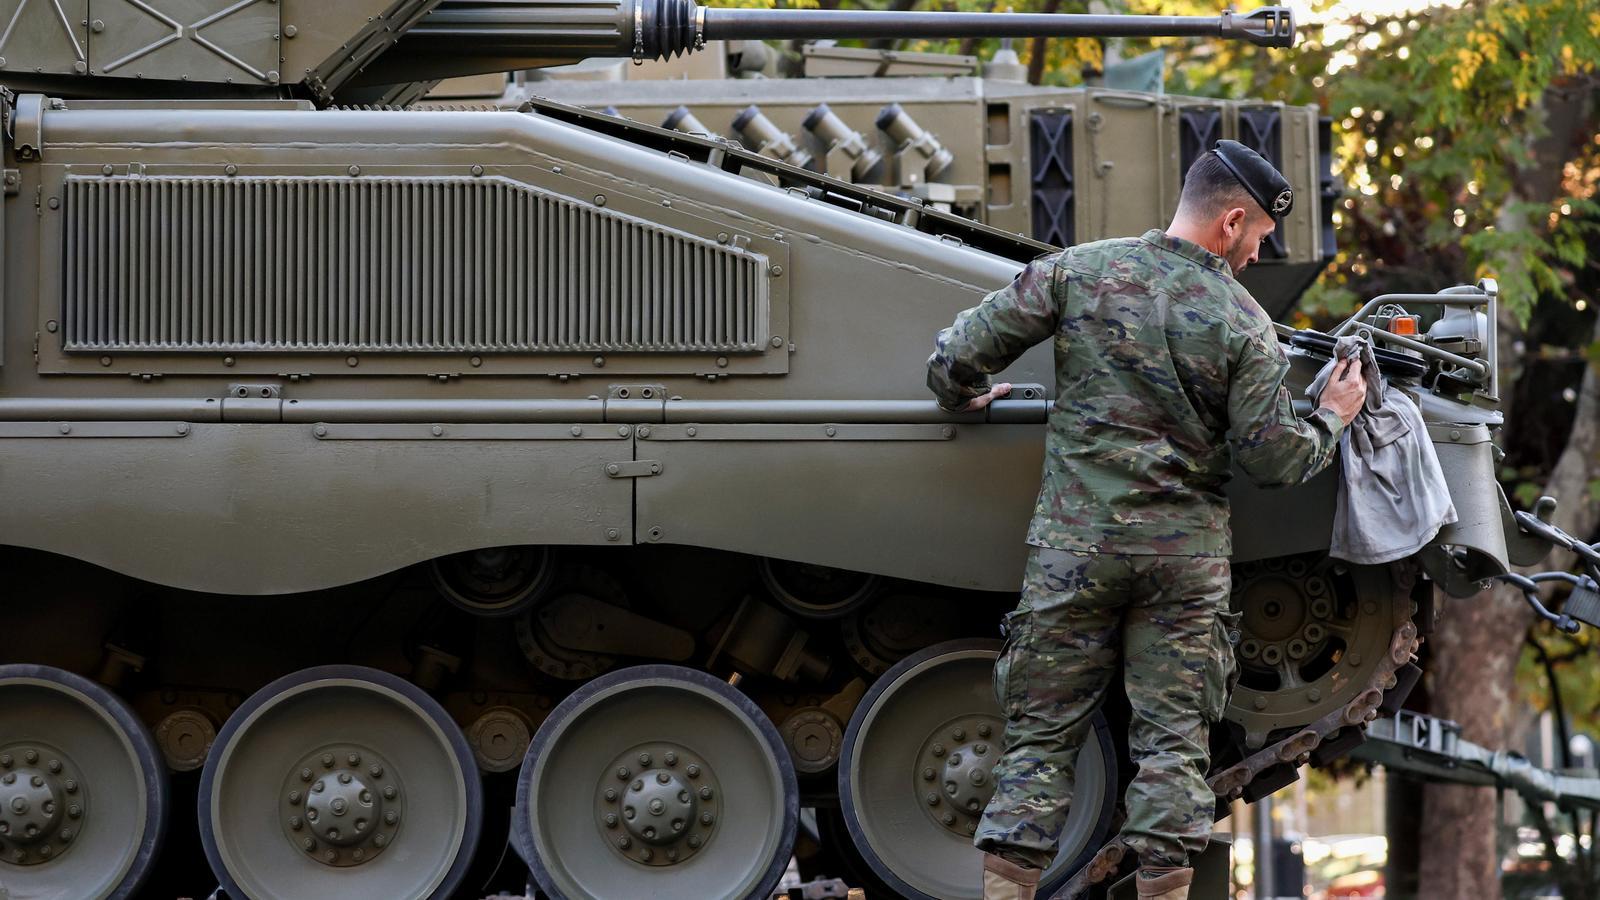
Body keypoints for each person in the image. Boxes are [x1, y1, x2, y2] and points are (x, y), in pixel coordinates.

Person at [926, 140, 1369, 900]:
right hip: (1183, 567)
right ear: (1232, 221)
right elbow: (1272, 459)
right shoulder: (1243, 321)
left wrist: (960, 396)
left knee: (1037, 742)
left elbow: (957, 355)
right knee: (1172, 751)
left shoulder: (1077, 271)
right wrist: (1332, 417)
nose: (1259, 255)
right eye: (1260, 236)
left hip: (1075, 551)